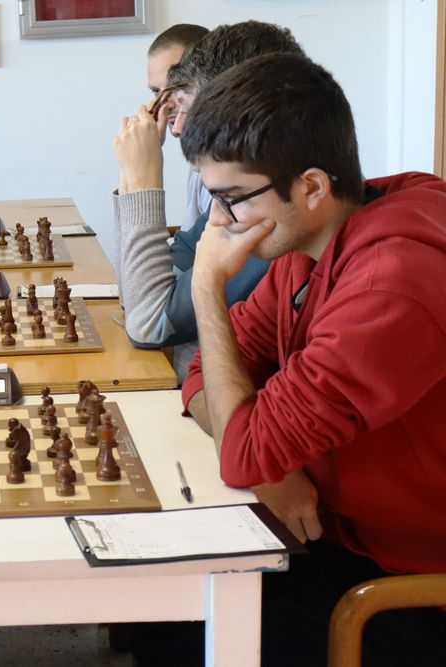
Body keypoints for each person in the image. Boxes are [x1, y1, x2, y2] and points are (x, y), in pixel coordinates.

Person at [168, 52, 446, 666]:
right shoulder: (307, 246)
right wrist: (264, 464)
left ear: (313, 187)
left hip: (414, 582)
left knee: (193, 648)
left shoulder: (391, 288)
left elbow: (242, 450)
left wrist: (206, 287)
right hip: (339, 533)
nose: (219, 224)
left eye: (232, 198)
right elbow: (204, 375)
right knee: (164, 620)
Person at [111, 21, 302, 381]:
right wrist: (130, 176)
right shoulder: (233, 198)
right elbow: (136, 295)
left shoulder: (263, 208)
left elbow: (149, 322)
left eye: (182, 101)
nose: (174, 125)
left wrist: (142, 180)